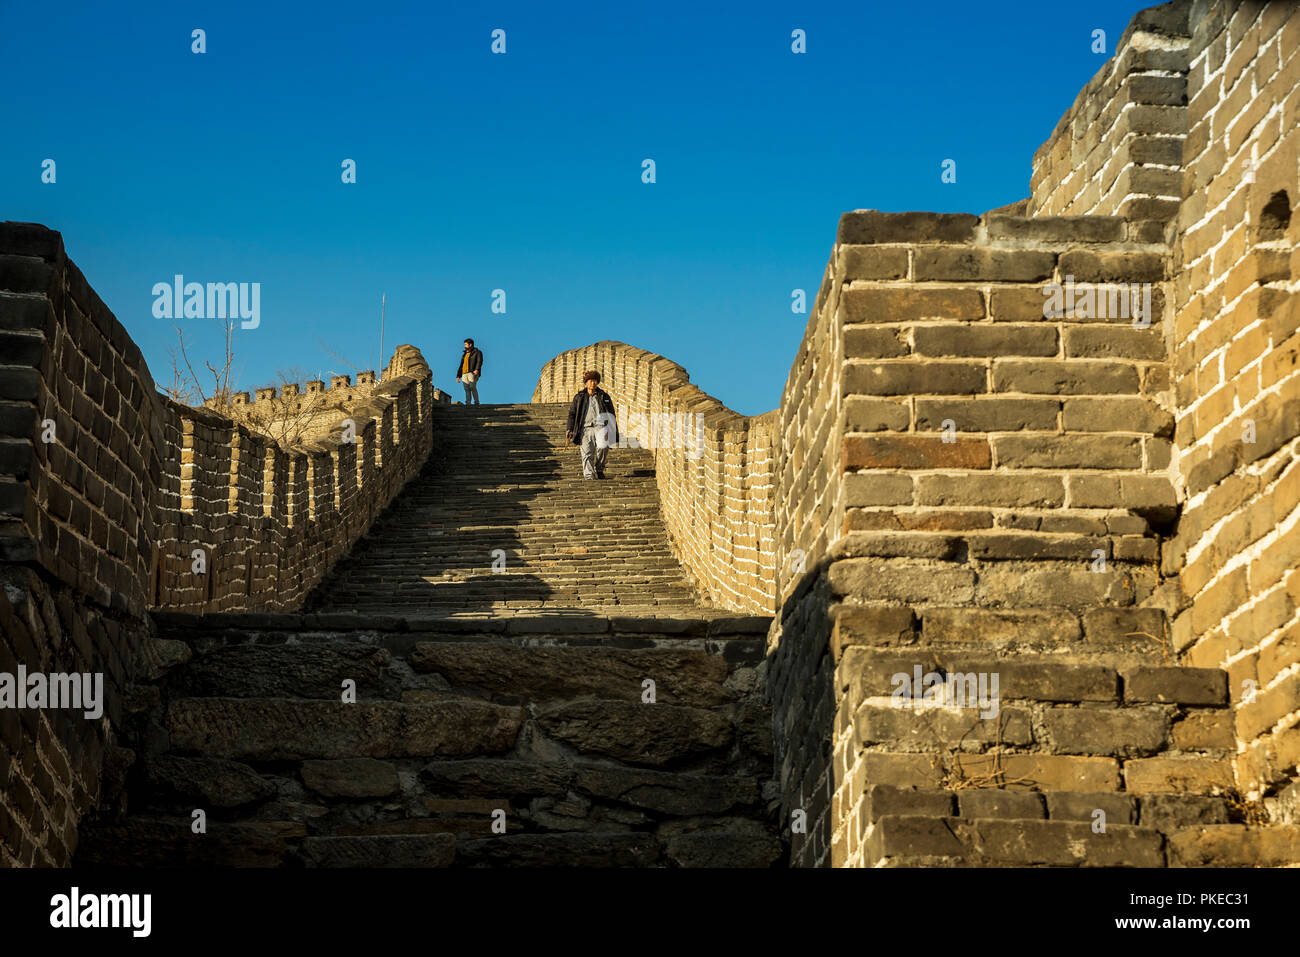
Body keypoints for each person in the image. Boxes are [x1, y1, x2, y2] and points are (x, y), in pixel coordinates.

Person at [565, 370, 618, 480]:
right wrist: (569, 428)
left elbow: (611, 413)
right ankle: (589, 476)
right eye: (590, 381)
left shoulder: (604, 396)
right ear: (586, 383)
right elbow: (572, 414)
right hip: (584, 428)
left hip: (601, 427)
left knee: (603, 447)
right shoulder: (579, 397)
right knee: (587, 452)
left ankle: (599, 469)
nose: (592, 383)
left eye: (594, 381)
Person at [456, 338, 483, 404]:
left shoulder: (477, 352)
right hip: (464, 373)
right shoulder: (464, 354)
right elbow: (461, 365)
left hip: (472, 372)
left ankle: (476, 402)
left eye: (466, 344)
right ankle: (468, 402)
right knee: (466, 389)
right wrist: (458, 376)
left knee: (472, 386)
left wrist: (477, 369)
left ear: (470, 344)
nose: (464, 346)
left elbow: (479, 361)